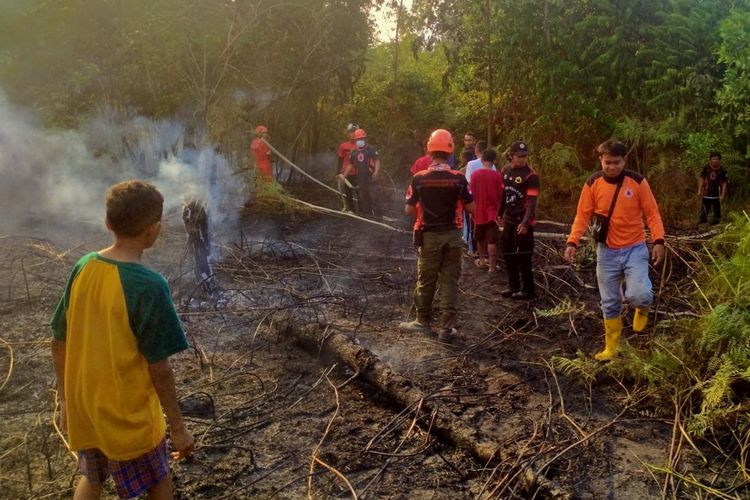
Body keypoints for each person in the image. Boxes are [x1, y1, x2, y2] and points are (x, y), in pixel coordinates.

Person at [50, 180, 194, 499]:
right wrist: (178, 427)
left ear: (107, 223)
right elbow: (161, 369)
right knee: (159, 479)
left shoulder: (83, 267)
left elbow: (58, 340)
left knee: (93, 478)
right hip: (128, 418)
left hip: (86, 408)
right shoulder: (149, 286)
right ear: (154, 230)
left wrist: (65, 400)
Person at [564, 139, 666, 361]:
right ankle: (611, 347)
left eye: (616, 162)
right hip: (607, 251)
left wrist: (659, 240)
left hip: (635, 248)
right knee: (610, 302)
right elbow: (582, 216)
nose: (612, 167)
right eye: (607, 162)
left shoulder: (637, 182)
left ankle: (642, 307)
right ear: (600, 160)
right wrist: (573, 242)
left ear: (624, 161)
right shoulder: (593, 184)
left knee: (639, 294)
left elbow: (652, 214)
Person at [399, 129, 475, 340]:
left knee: (426, 279)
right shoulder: (459, 179)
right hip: (452, 235)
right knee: (450, 280)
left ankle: (422, 321)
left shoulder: (419, 179)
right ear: (450, 150)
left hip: (429, 236)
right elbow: (472, 208)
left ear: (429, 151)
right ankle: (446, 328)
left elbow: (408, 209)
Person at [498, 141, 540, 300]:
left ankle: (528, 289)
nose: (522, 159)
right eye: (518, 156)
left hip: (523, 221)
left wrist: (525, 222)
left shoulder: (531, 175)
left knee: (524, 256)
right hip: (509, 219)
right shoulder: (506, 170)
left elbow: (532, 201)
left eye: (524, 156)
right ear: (511, 156)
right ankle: (513, 286)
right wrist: (499, 212)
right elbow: (504, 194)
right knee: (508, 254)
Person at [469, 148, 503, 272]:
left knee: (479, 237)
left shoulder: (475, 175)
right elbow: (500, 194)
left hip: (478, 211)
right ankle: (492, 267)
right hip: (492, 212)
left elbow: (471, 193)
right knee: (492, 240)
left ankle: (482, 260)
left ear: (482, 159)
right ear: (494, 161)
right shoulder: (497, 176)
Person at [344, 128, 380, 216]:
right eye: (358, 139)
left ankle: (378, 216)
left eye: (361, 139)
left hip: (371, 176)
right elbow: (351, 164)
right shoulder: (354, 152)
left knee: (374, 196)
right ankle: (368, 215)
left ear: (365, 139)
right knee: (364, 197)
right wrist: (344, 176)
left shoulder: (370, 149)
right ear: (355, 140)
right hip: (360, 177)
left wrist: (376, 172)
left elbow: (377, 161)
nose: (360, 141)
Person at [698, 151, 728, 225]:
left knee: (717, 213)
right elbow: (702, 178)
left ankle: (716, 227)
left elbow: (724, 183)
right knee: (703, 212)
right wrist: (699, 190)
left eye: (717, 159)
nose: (715, 161)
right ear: (710, 160)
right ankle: (702, 226)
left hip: (717, 194)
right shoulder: (706, 168)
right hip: (706, 193)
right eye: (713, 159)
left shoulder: (722, 170)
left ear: (719, 160)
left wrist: (722, 195)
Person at [337, 123, 359, 210]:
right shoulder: (343, 146)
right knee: (348, 194)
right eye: (351, 132)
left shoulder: (361, 146)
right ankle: (351, 211)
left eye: (355, 131)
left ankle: (363, 212)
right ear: (348, 133)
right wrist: (338, 173)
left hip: (358, 173)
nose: (353, 134)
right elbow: (340, 159)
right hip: (346, 174)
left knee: (360, 194)